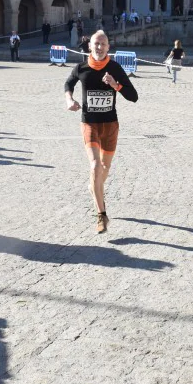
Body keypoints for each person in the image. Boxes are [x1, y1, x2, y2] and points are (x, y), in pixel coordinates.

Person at [64, 30, 138, 234]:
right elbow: (68, 83)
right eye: (96, 43)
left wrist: (116, 85)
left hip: (110, 125)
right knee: (95, 165)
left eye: (103, 44)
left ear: (108, 48)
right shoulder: (81, 67)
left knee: (104, 168)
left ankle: (94, 188)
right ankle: (101, 215)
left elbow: (133, 96)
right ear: (90, 46)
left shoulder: (114, 68)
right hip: (89, 123)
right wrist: (69, 100)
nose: (99, 47)